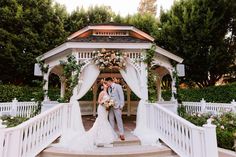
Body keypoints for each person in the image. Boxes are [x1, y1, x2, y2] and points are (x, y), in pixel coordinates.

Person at [53, 81, 117, 151]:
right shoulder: (102, 92)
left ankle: (104, 138)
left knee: (104, 120)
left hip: (105, 110)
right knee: (101, 121)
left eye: (107, 84)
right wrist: (105, 103)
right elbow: (99, 101)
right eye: (105, 84)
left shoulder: (107, 93)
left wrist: (109, 104)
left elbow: (108, 101)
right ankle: (99, 138)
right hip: (101, 108)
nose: (106, 85)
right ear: (102, 86)